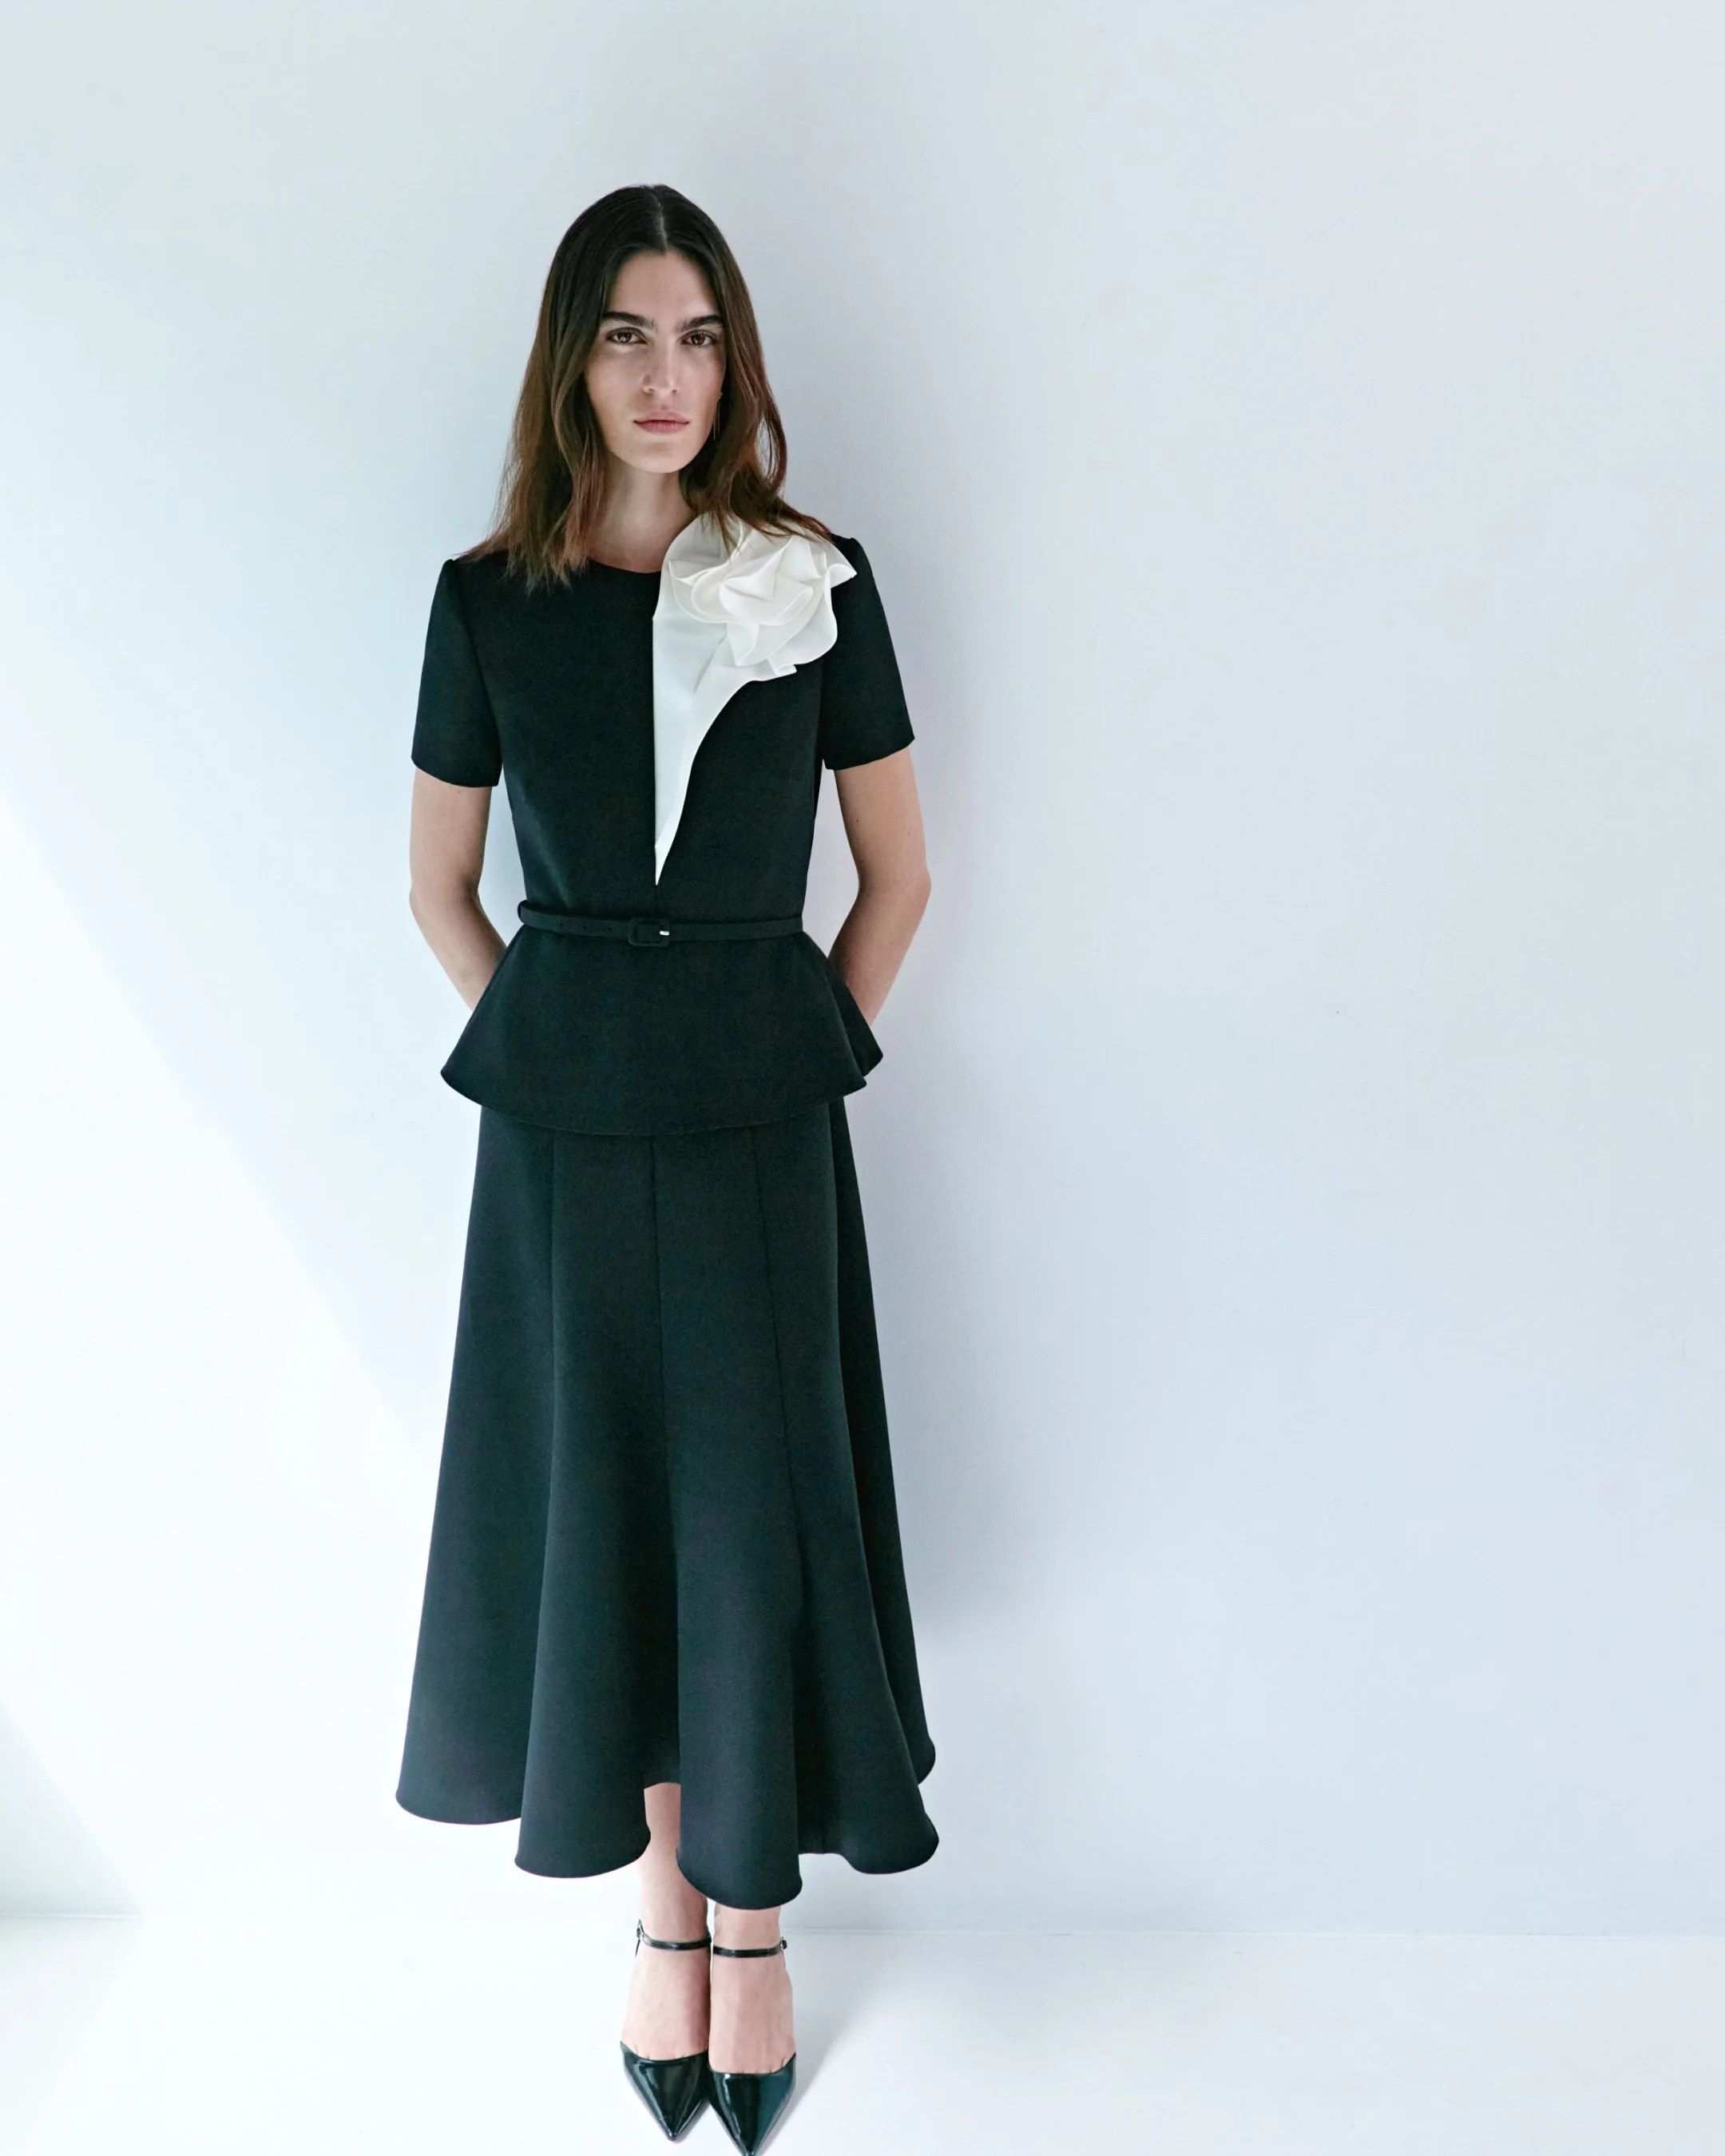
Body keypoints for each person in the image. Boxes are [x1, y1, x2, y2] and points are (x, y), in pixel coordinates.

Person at [394, 183, 938, 2153]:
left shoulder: (814, 580)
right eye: (629, 334)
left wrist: (795, 1056)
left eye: (698, 337)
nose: (666, 375)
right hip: (563, 1139)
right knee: (605, 1511)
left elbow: (898, 878)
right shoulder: (486, 600)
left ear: (736, 362)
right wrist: (560, 1054)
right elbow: (442, 887)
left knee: (747, 1513)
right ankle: (662, 1915)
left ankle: (758, 1924)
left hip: (756, 1131)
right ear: (574, 358)